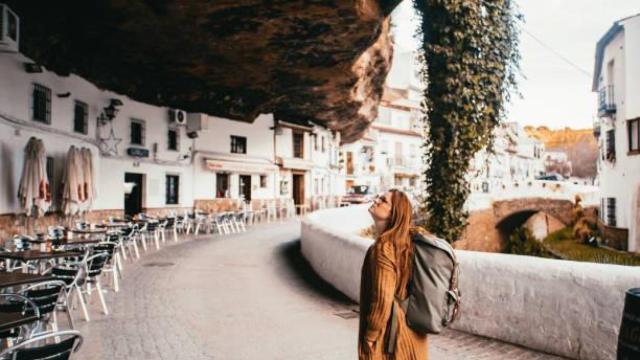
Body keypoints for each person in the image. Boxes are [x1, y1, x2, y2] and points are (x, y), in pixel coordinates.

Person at [358, 189, 427, 359]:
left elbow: (382, 300)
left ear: (393, 214)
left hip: (392, 340)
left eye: (383, 200)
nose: (376, 200)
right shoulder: (407, 243)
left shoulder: (384, 248)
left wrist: (370, 336)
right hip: (415, 336)